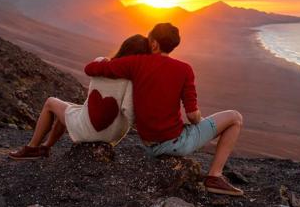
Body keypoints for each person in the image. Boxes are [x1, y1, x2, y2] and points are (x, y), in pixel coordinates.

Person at [84, 23, 244, 196]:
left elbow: (90, 69)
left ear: (154, 44)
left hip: (149, 145)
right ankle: (214, 176)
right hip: (175, 144)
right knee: (235, 117)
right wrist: (200, 120)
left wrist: (108, 62)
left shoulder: (135, 63)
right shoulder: (184, 69)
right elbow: (192, 116)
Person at [8, 34, 151, 160]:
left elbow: (91, 70)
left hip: (89, 130)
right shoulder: (132, 80)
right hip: (112, 136)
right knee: (70, 110)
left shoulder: (101, 63)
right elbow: (130, 111)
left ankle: (32, 148)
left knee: (51, 102)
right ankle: (45, 147)